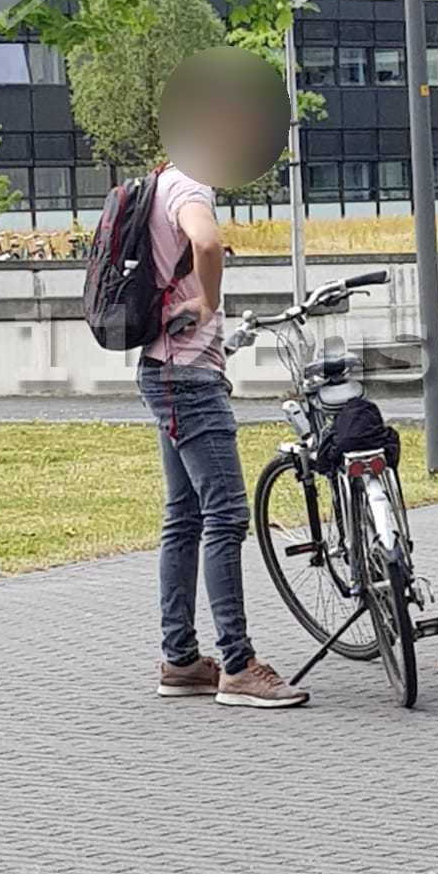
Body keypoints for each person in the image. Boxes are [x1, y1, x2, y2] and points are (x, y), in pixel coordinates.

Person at [137, 162, 309, 709]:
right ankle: (237, 665)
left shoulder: (159, 182)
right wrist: (209, 301)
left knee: (184, 515)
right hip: (188, 376)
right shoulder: (190, 185)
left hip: (162, 367)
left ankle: (181, 660)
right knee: (227, 514)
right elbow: (205, 242)